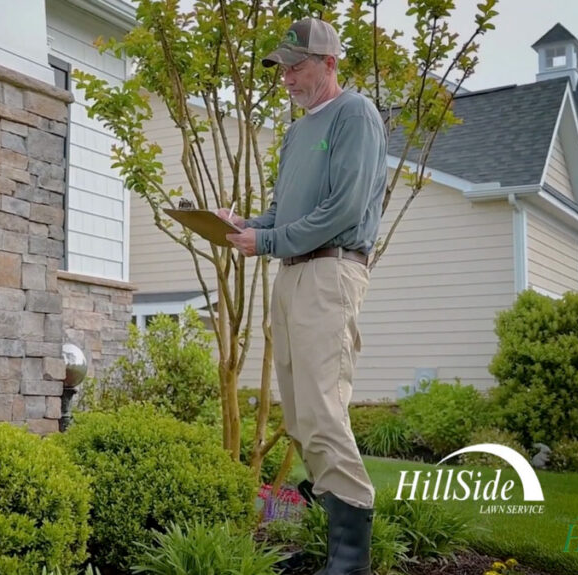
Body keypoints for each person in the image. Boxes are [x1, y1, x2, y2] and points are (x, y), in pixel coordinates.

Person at [220, 17, 386, 575]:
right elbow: (284, 212)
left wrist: (267, 240)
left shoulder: (355, 114)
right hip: (291, 273)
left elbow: (343, 208)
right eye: (282, 69)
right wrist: (245, 225)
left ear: (329, 63)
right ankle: (327, 546)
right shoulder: (297, 134)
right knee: (299, 413)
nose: (286, 77)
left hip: (330, 271)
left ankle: (351, 561)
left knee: (322, 408)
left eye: (296, 66)